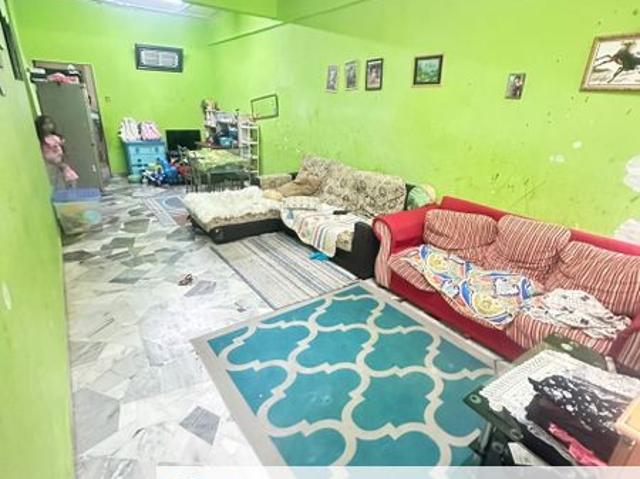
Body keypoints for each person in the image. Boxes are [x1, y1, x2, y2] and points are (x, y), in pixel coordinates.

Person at [35, 115, 79, 186]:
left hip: (59, 160)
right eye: (45, 124)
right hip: (50, 161)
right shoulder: (43, 140)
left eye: (50, 123)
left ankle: (70, 185)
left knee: (68, 176)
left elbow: (61, 147)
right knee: (57, 179)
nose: (49, 126)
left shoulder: (55, 137)